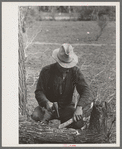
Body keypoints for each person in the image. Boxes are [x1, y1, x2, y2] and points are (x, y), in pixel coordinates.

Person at [31, 43, 93, 129]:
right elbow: (39, 91)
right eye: (62, 65)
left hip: (66, 108)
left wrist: (79, 107)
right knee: (36, 116)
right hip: (48, 109)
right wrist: (46, 102)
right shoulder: (46, 71)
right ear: (57, 60)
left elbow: (85, 90)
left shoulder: (75, 71)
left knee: (78, 124)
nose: (65, 68)